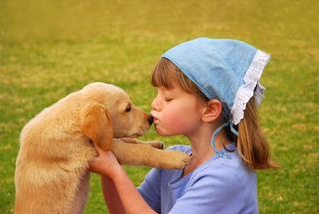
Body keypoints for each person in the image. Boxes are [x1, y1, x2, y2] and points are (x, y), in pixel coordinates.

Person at [89, 37, 277, 214]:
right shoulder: (177, 159)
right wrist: (112, 160)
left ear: (210, 110)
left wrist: (115, 173)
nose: (155, 104)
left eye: (168, 98)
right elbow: (125, 210)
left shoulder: (224, 176)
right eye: (157, 94)